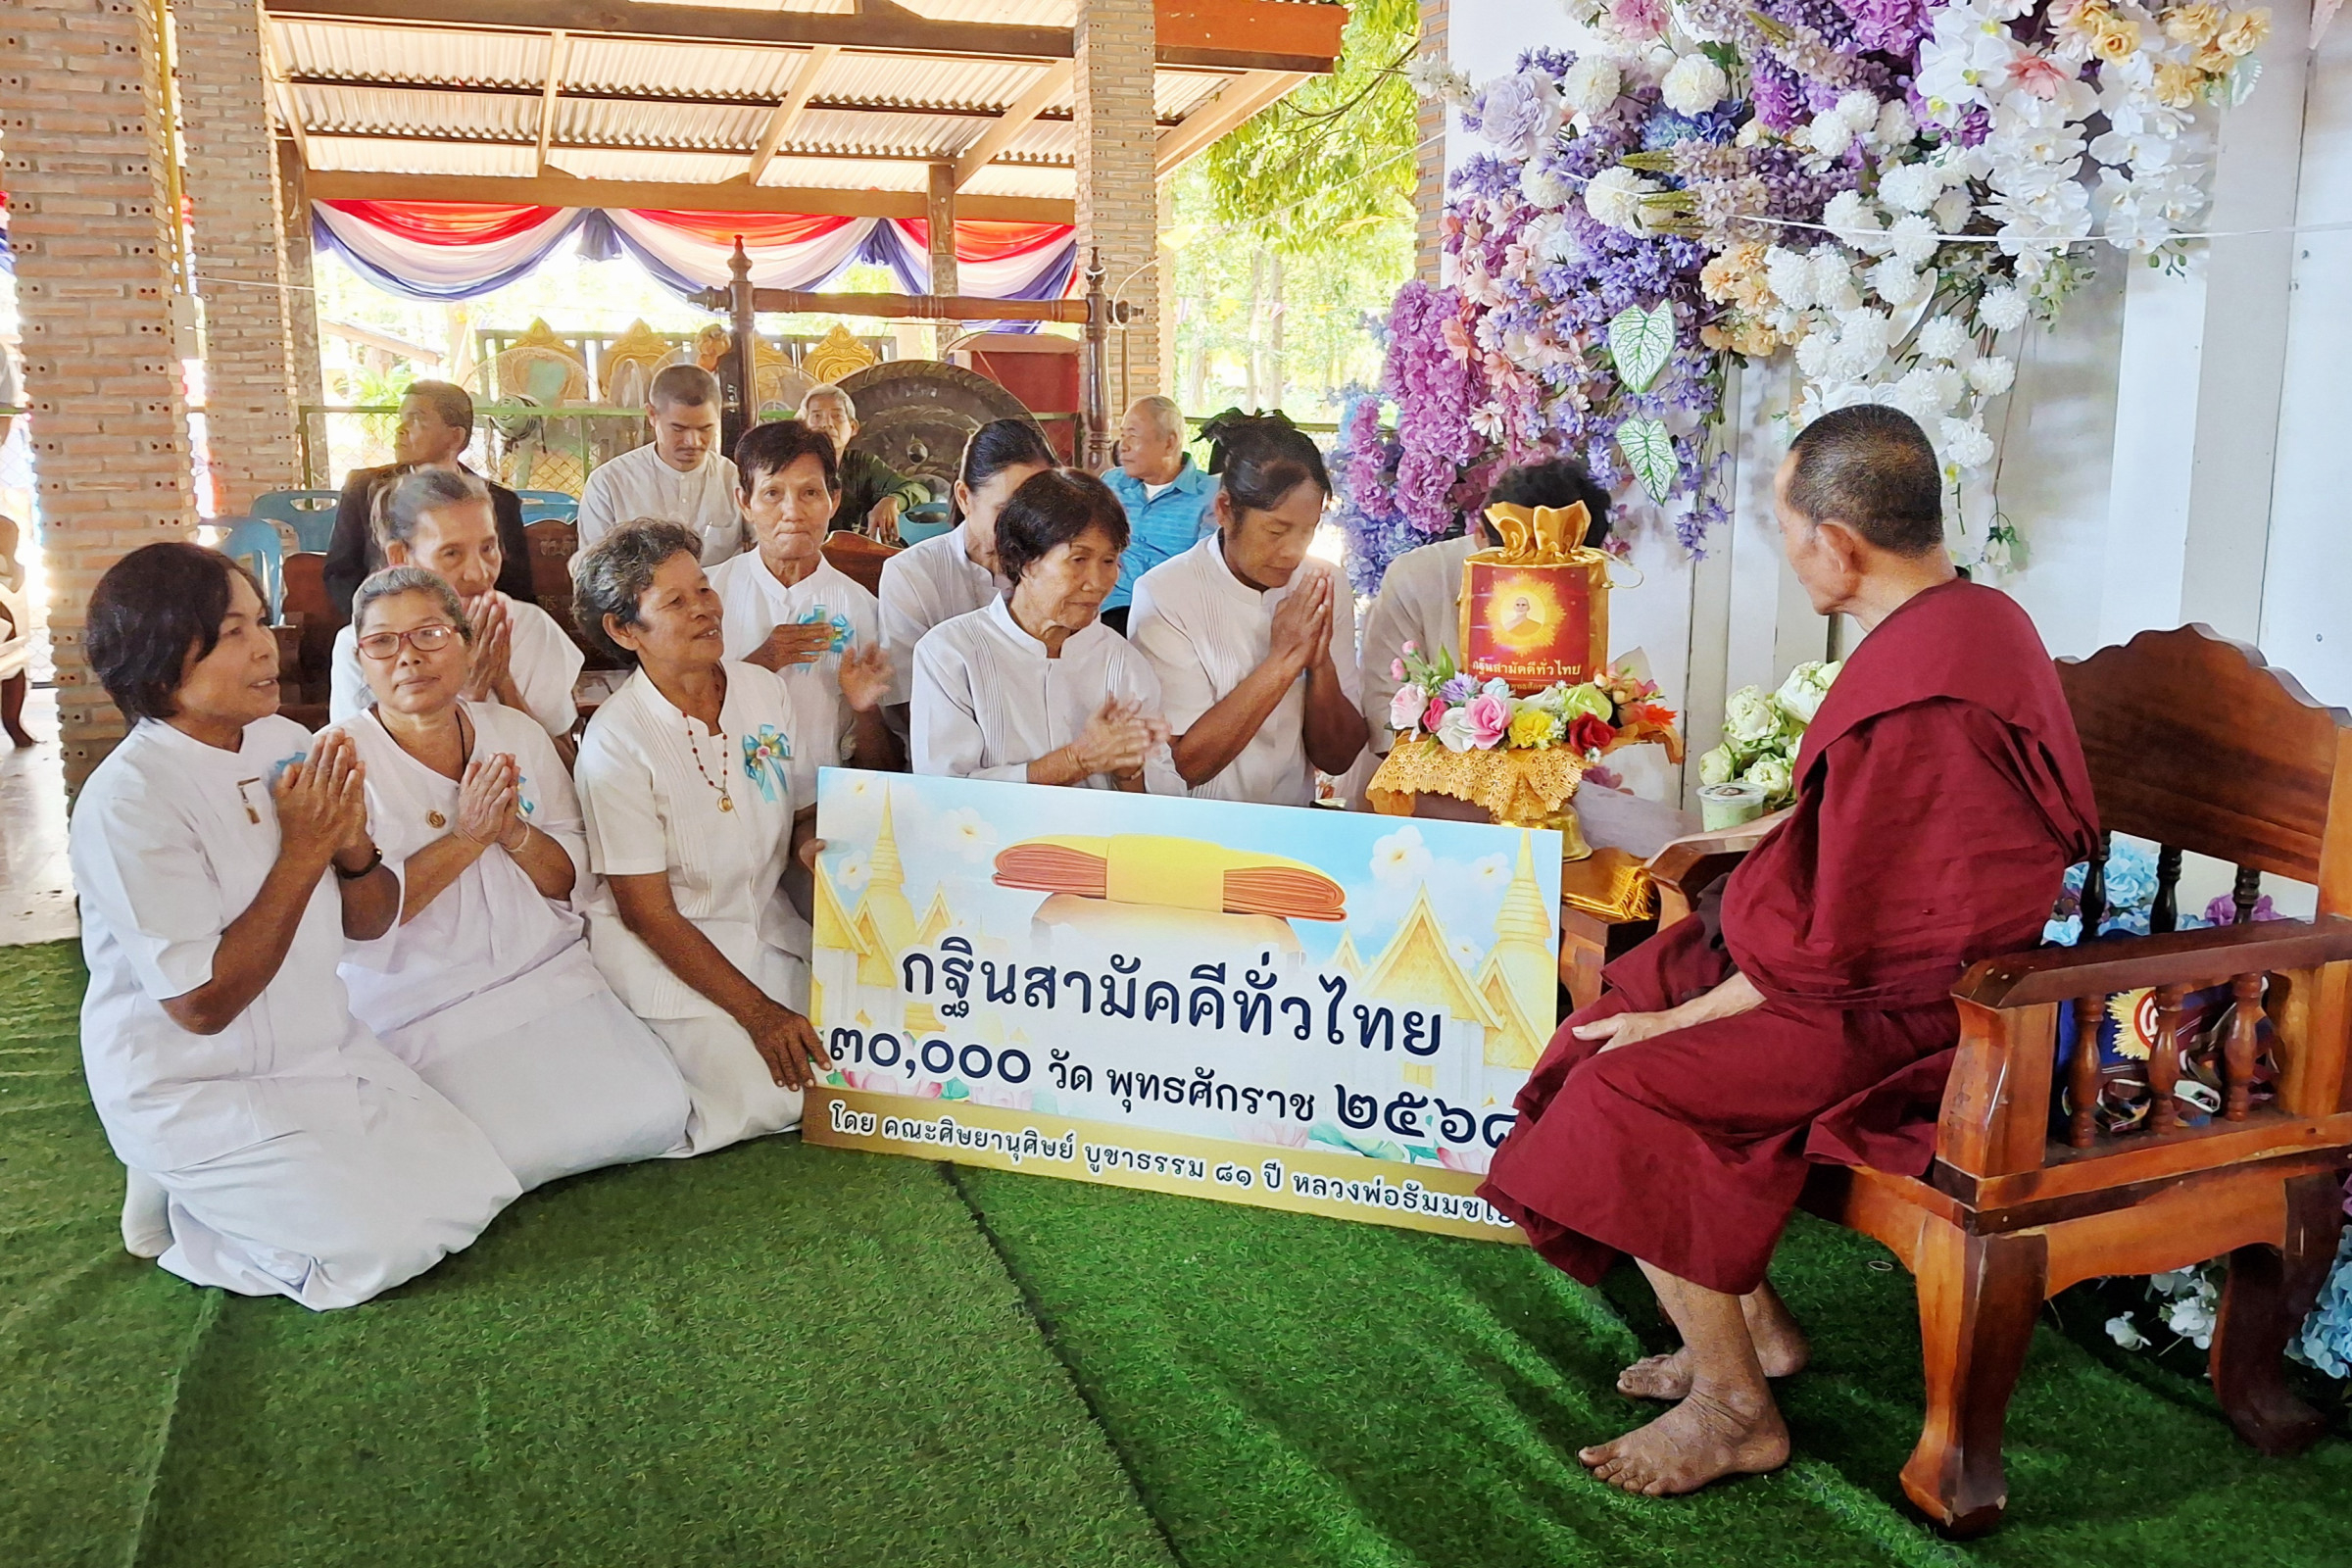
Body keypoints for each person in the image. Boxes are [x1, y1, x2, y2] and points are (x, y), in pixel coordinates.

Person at [1477, 406, 2100, 1497]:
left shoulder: (1931, 695)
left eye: (1785, 527)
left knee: (1630, 1084)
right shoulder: (1968, 620)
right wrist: (1755, 855)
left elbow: (1852, 933)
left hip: (1917, 1012)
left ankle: (1735, 1412)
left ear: (1838, 544)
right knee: (1609, 1017)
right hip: (1857, 968)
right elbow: (1860, 844)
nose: (1788, 548)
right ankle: (1753, 1331)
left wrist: (1681, 1020)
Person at [71, 542, 517, 1309]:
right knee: (382, 1249)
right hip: (194, 1083)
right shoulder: (130, 801)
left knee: (479, 1188)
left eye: (260, 622)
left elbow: (369, 922)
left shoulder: (288, 745)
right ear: (160, 660)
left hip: (318, 1050)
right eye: (233, 632)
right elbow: (201, 1005)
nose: (265, 647)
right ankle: (184, 1217)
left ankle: (213, 1186)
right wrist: (305, 849)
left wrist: (351, 849)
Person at [330, 566, 691, 1191]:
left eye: (429, 634)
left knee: (657, 1113)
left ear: (466, 643)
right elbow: (360, 923)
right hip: (424, 1002)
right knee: (495, 1159)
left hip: (544, 973)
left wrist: (513, 833)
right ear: (362, 660)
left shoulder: (516, 734)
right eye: (382, 642)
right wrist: (468, 838)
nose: (408, 657)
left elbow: (568, 879)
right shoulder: (338, 763)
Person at [571, 522, 831, 1153]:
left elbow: (800, 810)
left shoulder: (762, 690)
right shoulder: (616, 741)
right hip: (673, 948)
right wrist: (758, 1014)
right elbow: (647, 913)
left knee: (848, 1060)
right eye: (675, 601)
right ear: (624, 630)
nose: (704, 610)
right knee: (771, 1097)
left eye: (704, 589)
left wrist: (810, 848)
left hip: (767, 926)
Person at [1127, 413, 1366, 807]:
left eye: (1308, 531)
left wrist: (1320, 664)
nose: (1292, 551)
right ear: (1225, 509)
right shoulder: (1166, 593)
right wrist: (1285, 660)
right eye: (1276, 531)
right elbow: (1182, 766)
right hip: (1197, 824)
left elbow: (1338, 759)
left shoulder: (1323, 584)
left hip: (1292, 818)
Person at [912, 468, 1180, 793]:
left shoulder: (1125, 663)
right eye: (1078, 559)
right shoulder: (949, 653)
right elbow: (942, 793)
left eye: (1109, 561)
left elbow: (1165, 801)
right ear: (1024, 560)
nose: (1097, 582)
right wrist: (1076, 760)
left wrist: (1128, 771)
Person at [1358, 458, 1614, 755]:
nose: (1534, 592)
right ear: (1480, 535)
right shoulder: (1417, 578)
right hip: (1425, 779)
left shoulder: (1586, 583)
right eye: (1517, 569)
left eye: (1556, 577)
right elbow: (1386, 726)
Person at [709, 418, 899, 787]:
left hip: (823, 809)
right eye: (772, 493)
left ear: (834, 500)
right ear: (744, 502)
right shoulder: (708, 597)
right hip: (725, 802)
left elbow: (884, 771)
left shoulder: (865, 610)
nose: (792, 512)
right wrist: (760, 664)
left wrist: (865, 709)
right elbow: (677, 721)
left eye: (810, 492)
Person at [327, 468, 582, 742]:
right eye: (451, 553)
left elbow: (564, 761)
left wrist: (503, 685)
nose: (478, 573)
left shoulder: (530, 627)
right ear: (400, 556)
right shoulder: (367, 646)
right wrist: (467, 698)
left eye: (488, 548)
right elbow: (360, 757)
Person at [878, 417, 1054, 730]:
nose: (1023, 526)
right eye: (1005, 510)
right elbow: (907, 704)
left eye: (1034, 511)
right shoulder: (912, 573)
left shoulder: (1056, 570)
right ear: (964, 498)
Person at [322, 380, 536, 618]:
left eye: (416, 419)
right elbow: (340, 573)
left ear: (454, 437)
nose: (401, 428)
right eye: (402, 418)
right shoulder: (365, 489)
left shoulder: (499, 501)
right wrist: (376, 619)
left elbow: (517, 587)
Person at [575, 365, 743, 566]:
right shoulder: (609, 483)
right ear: (652, 415)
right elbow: (592, 572)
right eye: (678, 429)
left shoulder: (736, 480)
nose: (693, 441)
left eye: (705, 428)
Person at [1101, 395, 1214, 638]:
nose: (1123, 446)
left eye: (1133, 435)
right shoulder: (1111, 483)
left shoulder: (1209, 495)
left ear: (1169, 443)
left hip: (1171, 613)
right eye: (1122, 435)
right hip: (1110, 605)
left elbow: (1208, 568)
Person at [799, 383, 931, 539]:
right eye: (817, 416)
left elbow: (919, 491)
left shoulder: (862, 464)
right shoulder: (791, 466)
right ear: (803, 427)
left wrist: (893, 500)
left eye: (837, 416)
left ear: (853, 427)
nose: (826, 424)